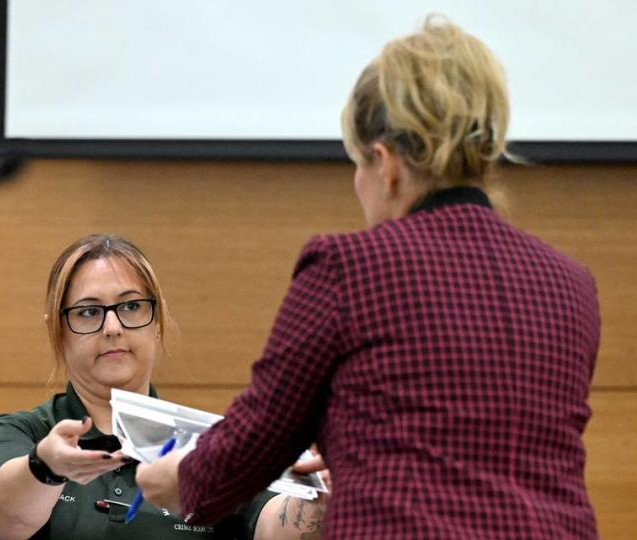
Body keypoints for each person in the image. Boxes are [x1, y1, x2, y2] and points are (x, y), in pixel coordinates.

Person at [136, 15, 600, 539]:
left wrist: (179, 479)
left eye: (356, 164)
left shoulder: (350, 267)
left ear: (385, 164)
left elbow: (255, 440)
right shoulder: (572, 286)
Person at [0, 234, 329, 540]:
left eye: (131, 306)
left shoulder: (214, 446)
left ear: (156, 321)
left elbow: (274, 527)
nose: (113, 327)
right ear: (58, 331)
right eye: (89, 312)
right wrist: (45, 466)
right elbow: (8, 520)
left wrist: (325, 496)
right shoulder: (17, 434)